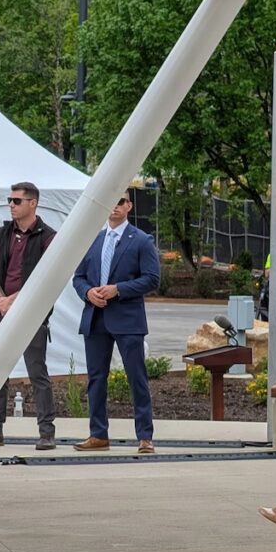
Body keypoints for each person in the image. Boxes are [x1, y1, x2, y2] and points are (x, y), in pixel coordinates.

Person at [72, 191, 161, 454]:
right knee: (96, 378)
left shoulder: (142, 240)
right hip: (96, 317)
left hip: (127, 319)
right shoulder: (93, 239)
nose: (114, 206)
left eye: (120, 201)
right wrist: (88, 292)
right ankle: (98, 434)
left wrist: (118, 289)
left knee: (137, 378)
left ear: (129, 206)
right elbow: (78, 277)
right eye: (111, 200)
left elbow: (152, 279)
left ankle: (145, 436)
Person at [0, 181, 57, 450]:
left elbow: (45, 279)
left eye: (17, 201)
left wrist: (14, 302)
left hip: (32, 315)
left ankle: (47, 432)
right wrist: (1, 301)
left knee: (37, 373)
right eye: (10, 200)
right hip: (1, 312)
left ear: (33, 203)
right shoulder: (1, 234)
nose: (11, 204)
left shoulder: (48, 236)